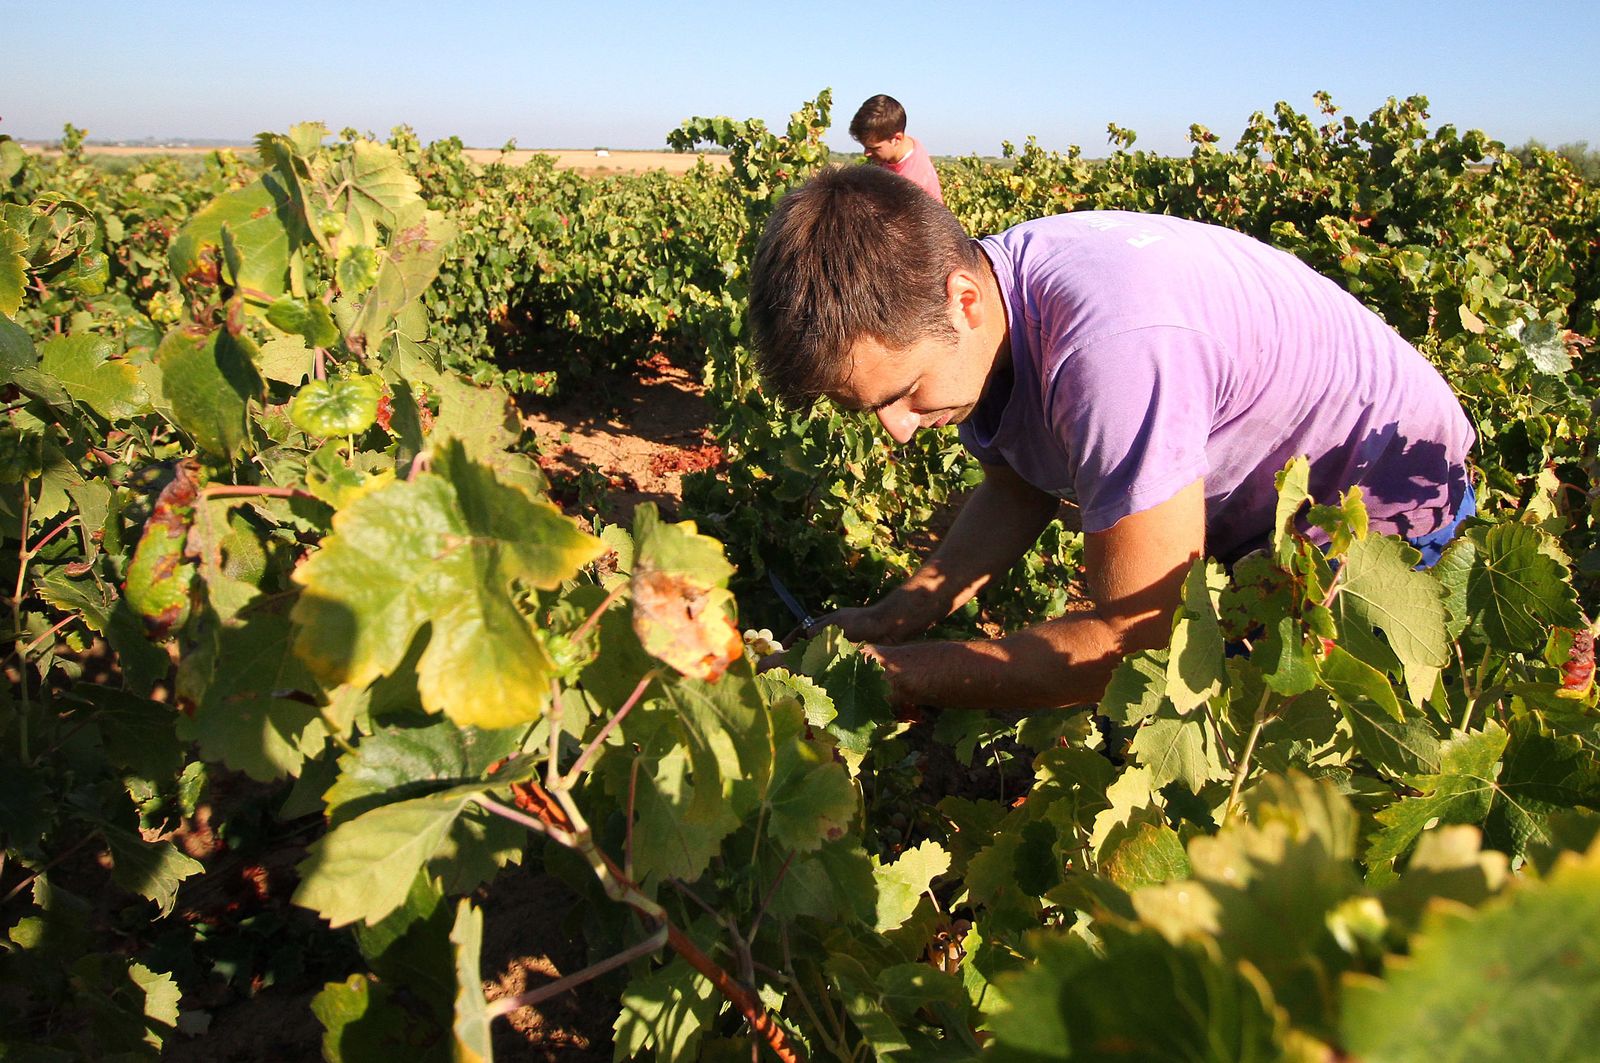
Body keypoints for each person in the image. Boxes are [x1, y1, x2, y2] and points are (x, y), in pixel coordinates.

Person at [748, 165, 1475, 712]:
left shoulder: (1110, 353)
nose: (898, 430)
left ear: (961, 300)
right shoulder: (984, 307)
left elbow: (1136, 642)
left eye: (903, 393)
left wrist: (888, 678)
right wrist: (889, 618)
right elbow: (1016, 485)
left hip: (1388, 507)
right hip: (1268, 507)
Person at [849, 94, 944, 203]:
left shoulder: (911, 185)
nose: (866, 153)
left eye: (873, 148)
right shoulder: (907, 145)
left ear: (896, 139)